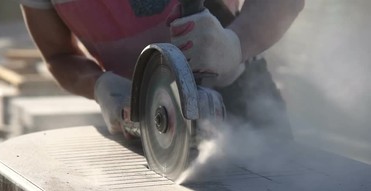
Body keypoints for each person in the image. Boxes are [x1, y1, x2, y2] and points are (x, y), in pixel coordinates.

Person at [18, 0, 304, 137]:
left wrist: (236, 45)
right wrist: (99, 85)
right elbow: (58, 56)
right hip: (144, 118)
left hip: (240, 99)